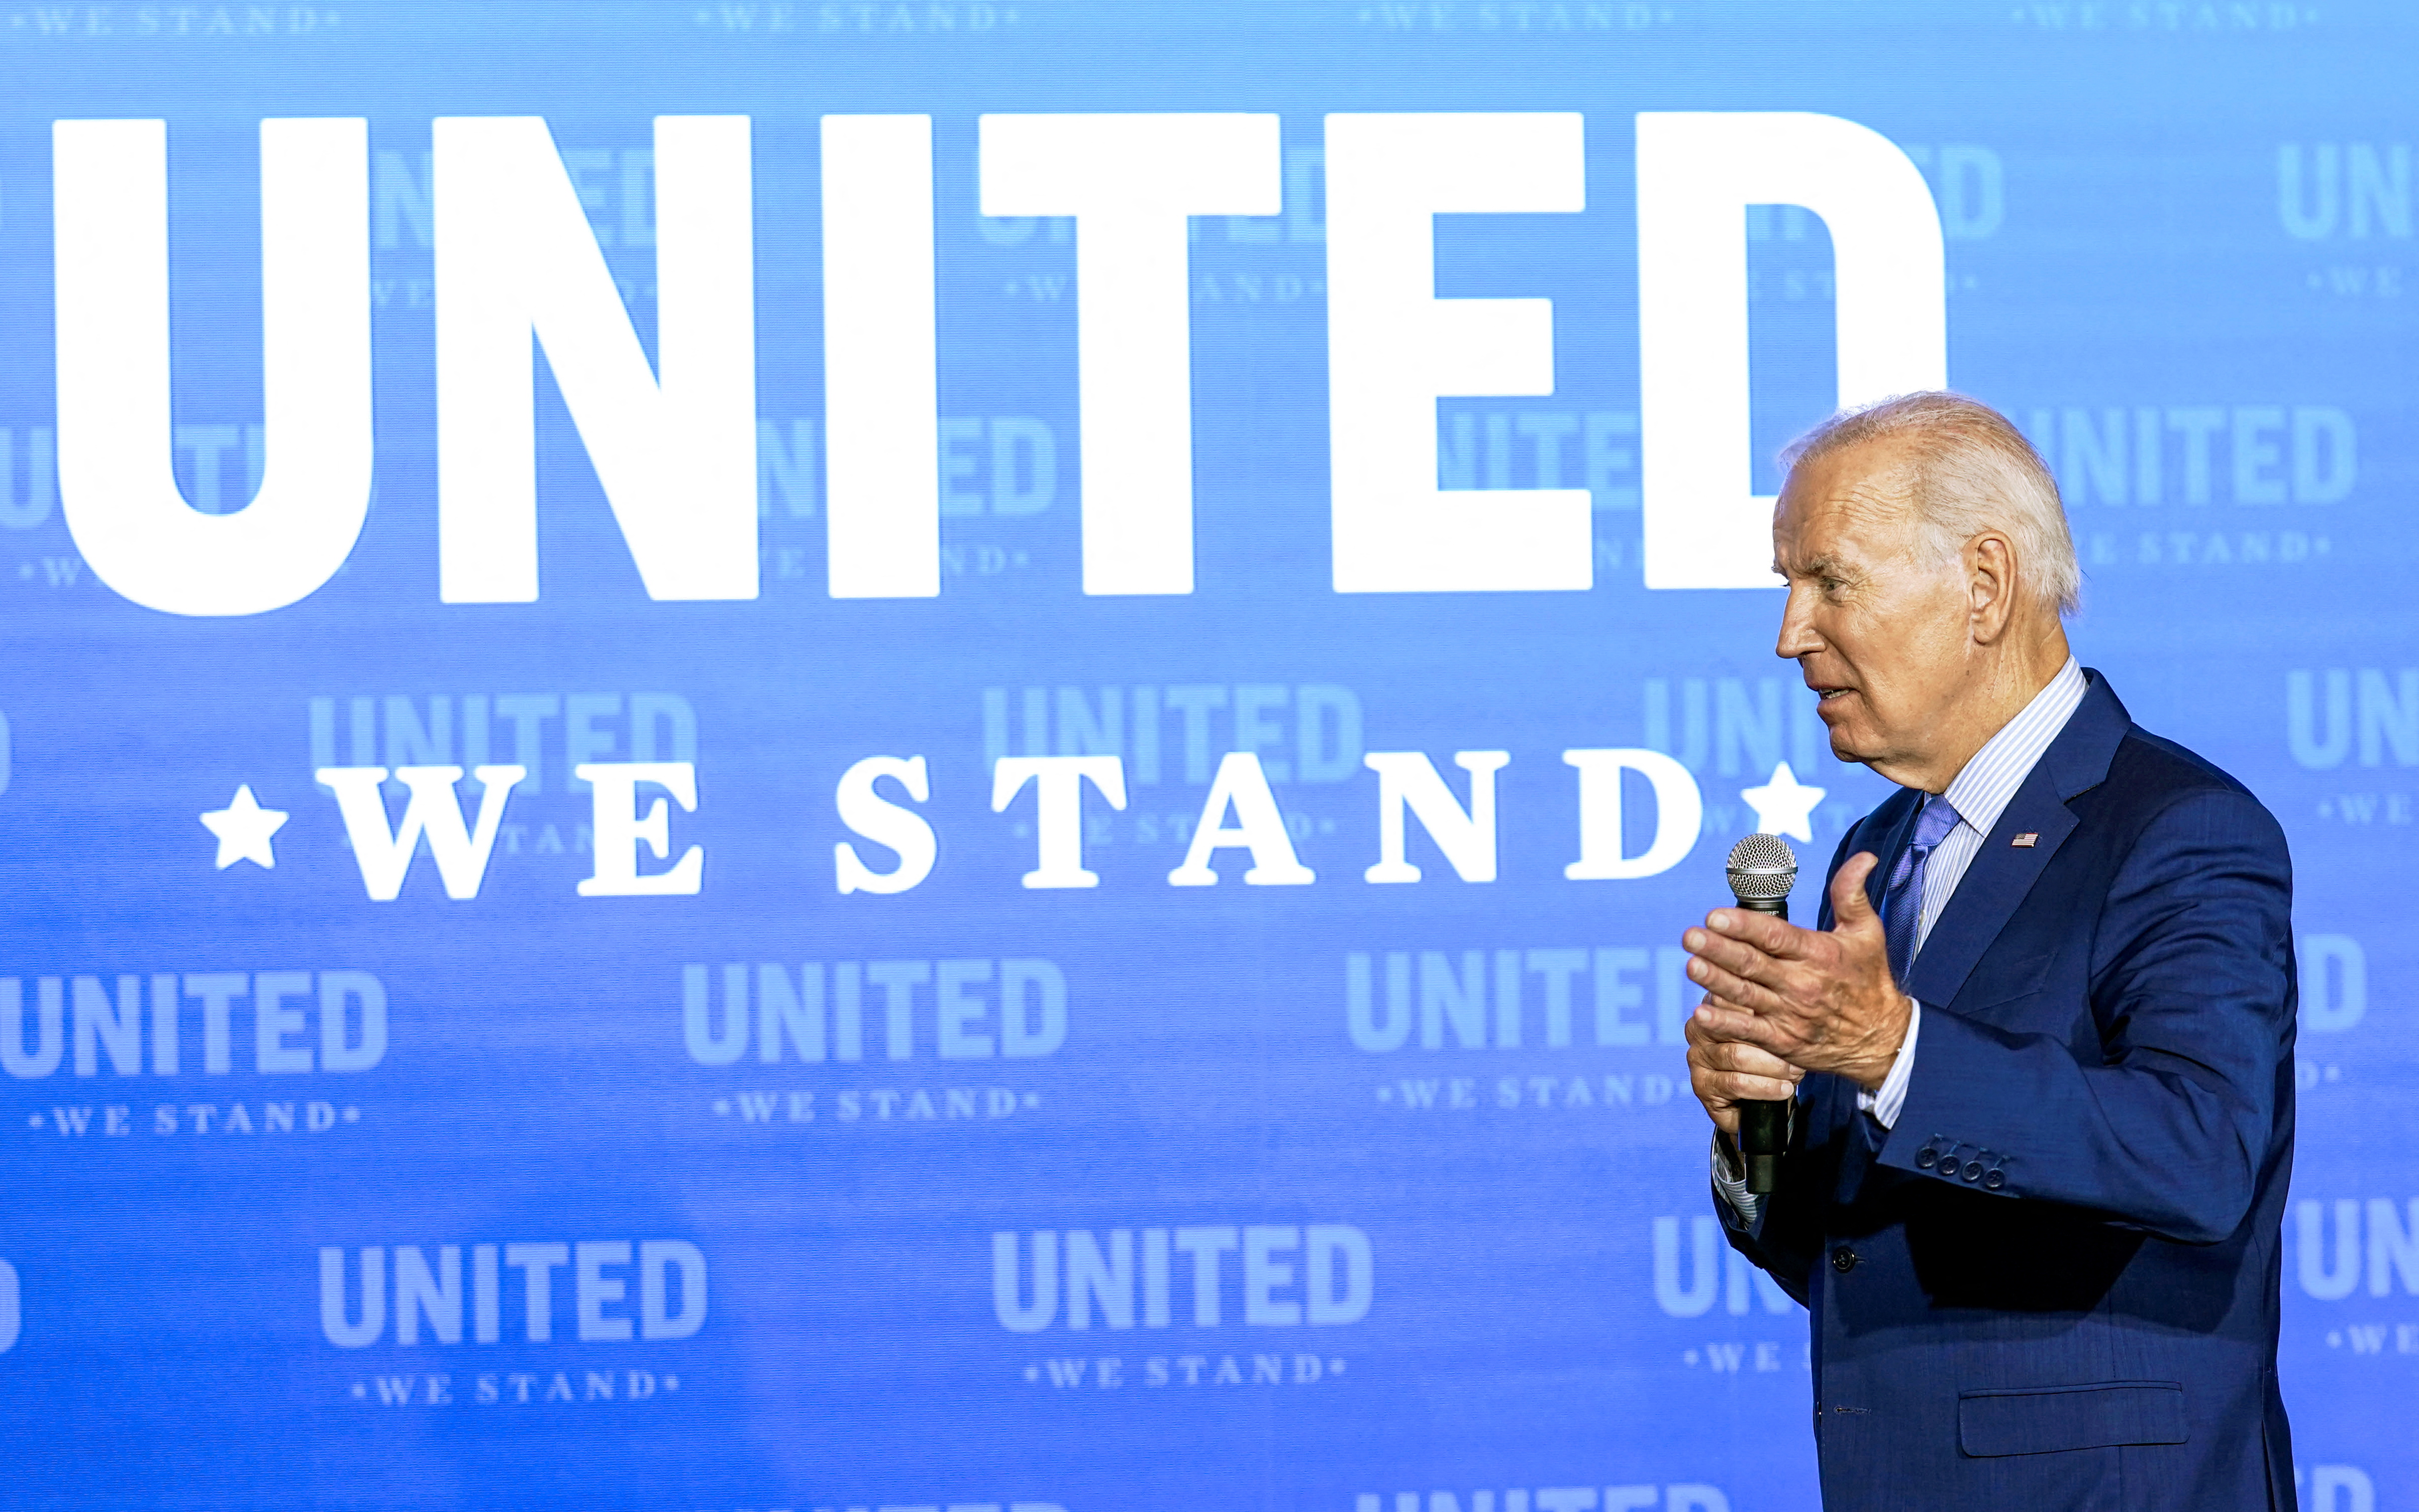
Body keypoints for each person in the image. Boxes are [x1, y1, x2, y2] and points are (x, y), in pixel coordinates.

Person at [1681, 392, 2298, 1511]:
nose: (1789, 632)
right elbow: (1858, 1248)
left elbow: (2204, 1155)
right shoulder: (1876, 849)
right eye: (1786, 585)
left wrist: (1892, 1046)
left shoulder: (2178, 827)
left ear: (1984, 583)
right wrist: (1753, 1135)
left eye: (1829, 581)